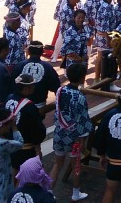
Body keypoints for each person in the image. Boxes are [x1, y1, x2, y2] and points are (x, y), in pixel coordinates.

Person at [50, 63, 93, 201]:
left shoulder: (60, 91)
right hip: (74, 136)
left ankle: (49, 192)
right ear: (82, 77)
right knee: (76, 166)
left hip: (59, 132)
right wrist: (84, 138)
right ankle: (75, 193)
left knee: (57, 163)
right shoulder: (79, 96)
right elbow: (82, 119)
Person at [5, 73, 46, 171]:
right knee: (25, 177)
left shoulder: (8, 98)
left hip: (10, 144)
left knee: (13, 173)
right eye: (32, 86)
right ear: (26, 88)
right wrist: (37, 145)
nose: (34, 88)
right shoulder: (29, 106)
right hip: (25, 148)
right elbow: (37, 129)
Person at [11, 42, 61, 110]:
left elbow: (12, 84)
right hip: (40, 105)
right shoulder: (48, 67)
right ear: (42, 52)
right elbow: (56, 87)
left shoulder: (19, 65)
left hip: (19, 104)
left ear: (28, 51)